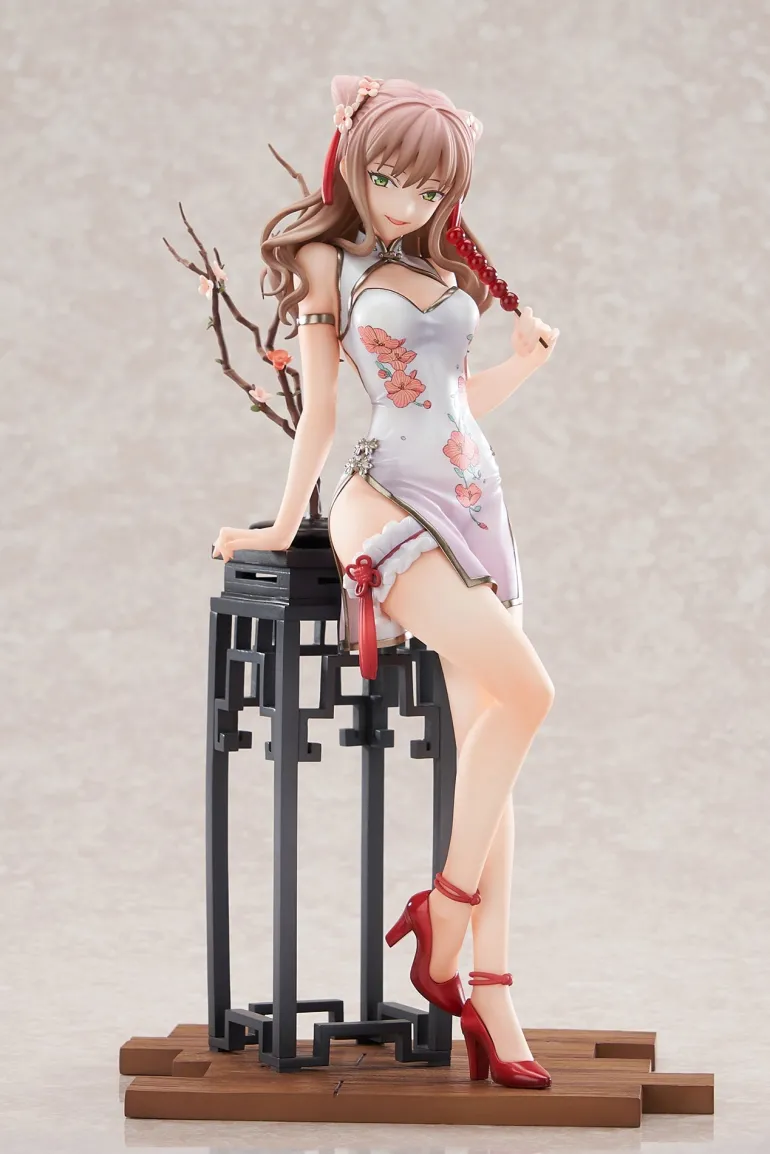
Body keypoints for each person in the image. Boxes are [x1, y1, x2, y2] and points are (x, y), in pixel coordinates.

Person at [214, 75, 560, 1090]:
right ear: (355, 167)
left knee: (493, 734)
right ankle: (443, 916)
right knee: (530, 694)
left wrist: (524, 364)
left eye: (428, 189)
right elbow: (324, 410)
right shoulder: (331, 260)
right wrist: (283, 524)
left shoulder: (438, 270)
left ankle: (490, 990)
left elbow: (453, 401)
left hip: (477, 504)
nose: (406, 203)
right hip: (388, 504)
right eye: (388, 179)